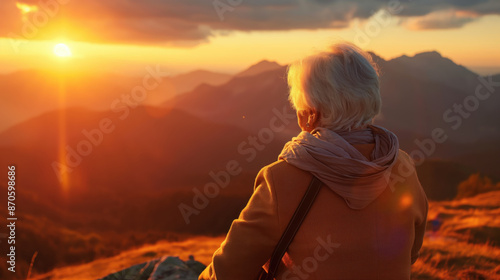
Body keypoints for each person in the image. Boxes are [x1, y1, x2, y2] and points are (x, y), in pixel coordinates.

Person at [199, 42, 428, 280]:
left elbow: (228, 272)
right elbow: (410, 252)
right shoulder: (402, 166)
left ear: (310, 115)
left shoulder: (280, 180)